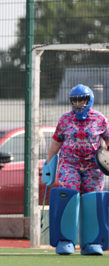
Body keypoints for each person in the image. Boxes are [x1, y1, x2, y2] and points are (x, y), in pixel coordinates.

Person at [46, 84, 109, 255]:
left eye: (82, 99)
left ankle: (92, 242)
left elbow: (108, 139)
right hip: (69, 164)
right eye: (75, 100)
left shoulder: (100, 119)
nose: (79, 103)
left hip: (93, 167)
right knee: (69, 194)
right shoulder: (65, 119)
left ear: (90, 100)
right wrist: (49, 163)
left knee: (92, 199)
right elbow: (57, 142)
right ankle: (65, 240)